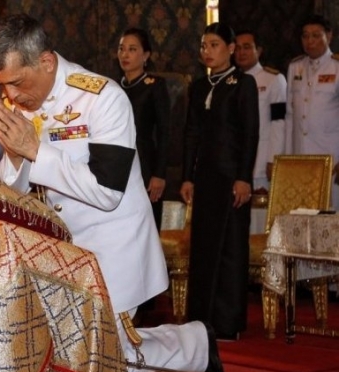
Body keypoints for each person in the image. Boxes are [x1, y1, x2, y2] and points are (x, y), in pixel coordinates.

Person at [0, 13, 221, 372]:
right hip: (65, 251)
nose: (10, 95)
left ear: (45, 62)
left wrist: (34, 150)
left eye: (15, 82)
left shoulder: (103, 97)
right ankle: (197, 342)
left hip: (114, 248)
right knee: (84, 357)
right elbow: (19, 192)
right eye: (1, 86)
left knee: (105, 363)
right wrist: (15, 155)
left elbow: (107, 191)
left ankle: (195, 346)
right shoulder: (23, 102)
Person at [180, 23, 259, 341]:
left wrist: (244, 177)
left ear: (230, 48)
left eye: (214, 44)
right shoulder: (198, 86)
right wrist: (187, 176)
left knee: (229, 249)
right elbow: (191, 134)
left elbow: (250, 133)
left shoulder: (244, 84)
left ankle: (227, 322)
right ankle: (200, 321)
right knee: (203, 248)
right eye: (203, 45)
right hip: (205, 178)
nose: (207, 51)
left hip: (231, 179)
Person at [117, 28, 170, 230]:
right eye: (121, 49)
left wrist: (159, 174)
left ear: (145, 55)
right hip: (119, 163)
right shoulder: (113, 86)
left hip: (147, 164)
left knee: (145, 226)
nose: (125, 54)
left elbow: (164, 131)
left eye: (132, 49)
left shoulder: (155, 85)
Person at [285, 15, 339, 209]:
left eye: (316, 35)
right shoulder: (295, 66)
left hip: (331, 157)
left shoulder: (336, 66)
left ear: (329, 36)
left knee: (330, 215)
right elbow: (290, 115)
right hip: (301, 156)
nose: (310, 41)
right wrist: (288, 155)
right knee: (303, 213)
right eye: (306, 36)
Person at [234, 30, 287, 191]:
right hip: (235, 163)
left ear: (259, 50)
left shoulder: (273, 79)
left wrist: (273, 159)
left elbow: (279, 122)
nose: (241, 52)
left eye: (247, 47)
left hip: (261, 162)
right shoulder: (231, 81)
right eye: (237, 48)